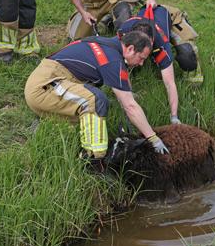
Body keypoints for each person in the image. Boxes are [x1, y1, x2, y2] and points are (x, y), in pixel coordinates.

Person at [24, 29, 169, 160]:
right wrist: (153, 138)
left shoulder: (109, 45)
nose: (141, 63)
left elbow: (123, 92)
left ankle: (47, 125)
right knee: (95, 100)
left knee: (101, 107)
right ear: (130, 49)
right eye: (141, 58)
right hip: (44, 87)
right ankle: (94, 158)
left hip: (49, 80)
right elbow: (130, 106)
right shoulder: (112, 60)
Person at [118, 5, 204, 111]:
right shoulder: (123, 32)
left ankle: (194, 81)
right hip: (146, 15)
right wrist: (128, 96)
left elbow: (169, 83)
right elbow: (118, 61)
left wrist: (174, 115)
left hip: (170, 16)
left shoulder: (161, 41)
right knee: (130, 60)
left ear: (152, 42)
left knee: (187, 54)